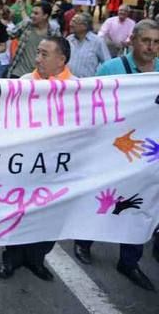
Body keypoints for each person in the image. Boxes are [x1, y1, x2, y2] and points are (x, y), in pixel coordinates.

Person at [73, 20, 159, 291]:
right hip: (112, 150)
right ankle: (84, 242)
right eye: (146, 40)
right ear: (132, 40)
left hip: (147, 155)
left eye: (157, 42)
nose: (151, 47)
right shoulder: (111, 70)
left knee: (140, 205)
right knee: (104, 199)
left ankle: (129, 261)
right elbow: (92, 106)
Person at [0, 37, 76, 283]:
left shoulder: (78, 89)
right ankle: (11, 257)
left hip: (57, 166)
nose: (37, 59)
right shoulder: (23, 84)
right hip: (24, 164)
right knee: (19, 210)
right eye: (38, 53)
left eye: (44, 54)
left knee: (50, 213)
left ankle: (36, 258)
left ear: (61, 60)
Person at [7, 2, 61, 78]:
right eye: (32, 12)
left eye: (36, 13)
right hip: (19, 73)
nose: (32, 15)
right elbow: (10, 34)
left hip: (40, 76)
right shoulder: (26, 24)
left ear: (45, 16)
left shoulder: (53, 32)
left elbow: (59, 52)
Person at [66, 13, 111, 78]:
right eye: (71, 21)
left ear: (85, 26)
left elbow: (107, 63)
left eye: (74, 22)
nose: (70, 24)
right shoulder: (69, 39)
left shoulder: (98, 42)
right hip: (69, 82)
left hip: (87, 84)